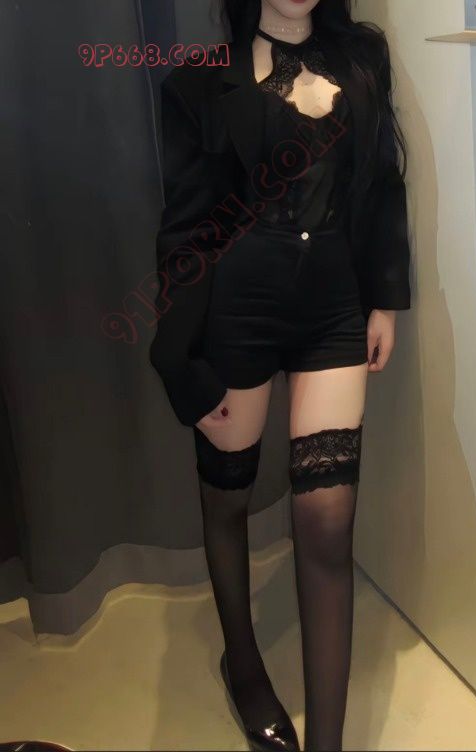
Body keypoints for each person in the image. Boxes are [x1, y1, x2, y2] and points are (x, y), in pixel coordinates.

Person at [148, 0, 411, 749]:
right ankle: (242, 663)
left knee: (327, 526)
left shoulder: (361, 59)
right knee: (226, 498)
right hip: (237, 311)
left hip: (334, 308)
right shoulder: (199, 83)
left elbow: (382, 182)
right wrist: (180, 359)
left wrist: (385, 299)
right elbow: (187, 229)